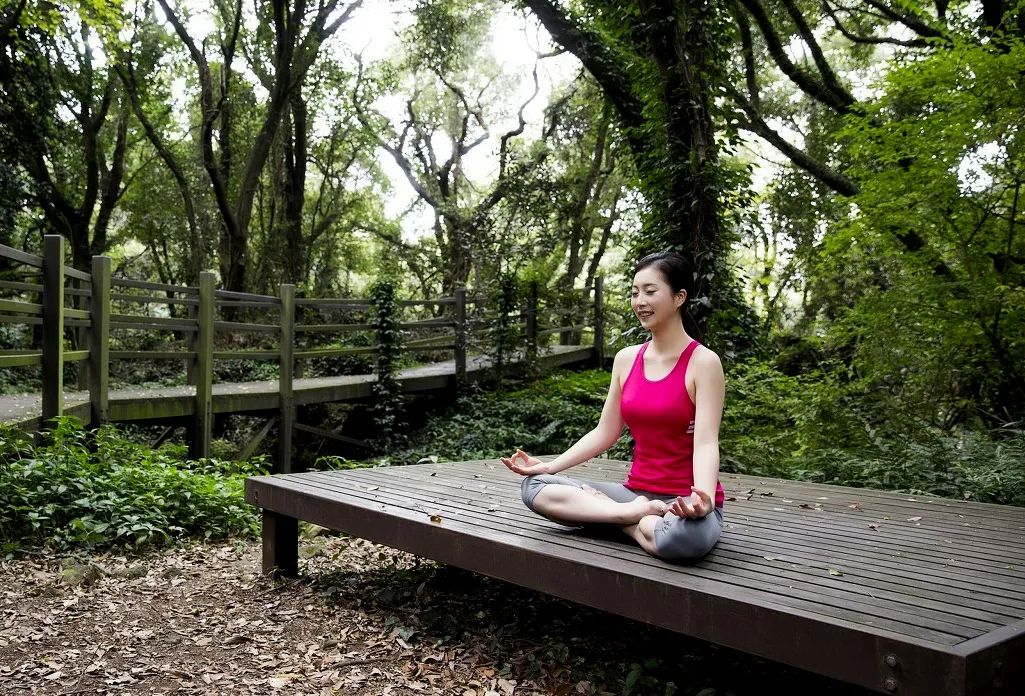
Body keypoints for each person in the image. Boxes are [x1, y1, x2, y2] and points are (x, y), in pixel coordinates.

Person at [501, 251, 726, 561]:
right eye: (634, 293)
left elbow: (705, 442)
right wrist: (550, 466)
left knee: (683, 539)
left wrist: (703, 499)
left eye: (650, 291)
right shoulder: (626, 359)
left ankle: (616, 519)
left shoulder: (704, 363)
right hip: (635, 495)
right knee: (535, 487)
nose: (639, 301)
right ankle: (629, 516)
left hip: (683, 500)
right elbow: (606, 431)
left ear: (679, 297)